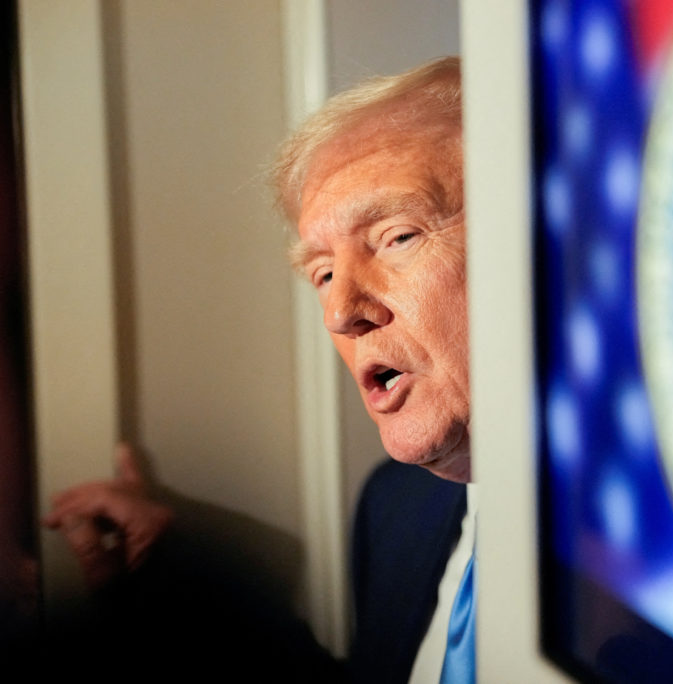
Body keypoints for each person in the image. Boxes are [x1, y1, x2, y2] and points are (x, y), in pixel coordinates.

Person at [42, 56, 476, 684]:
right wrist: (182, 596)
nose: (340, 312)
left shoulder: (626, 546)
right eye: (323, 273)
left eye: (396, 237)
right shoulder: (395, 506)